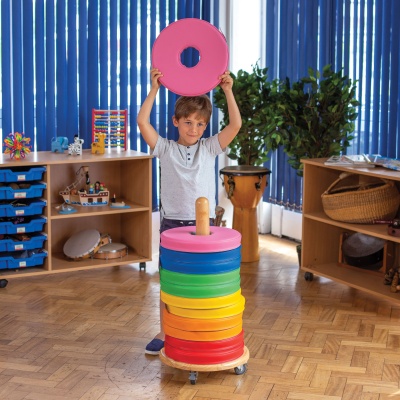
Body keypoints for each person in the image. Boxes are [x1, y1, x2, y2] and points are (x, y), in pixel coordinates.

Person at [137, 67, 242, 355]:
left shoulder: (209, 148)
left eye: (199, 124)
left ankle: (198, 330)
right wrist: (155, 89)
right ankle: (165, 329)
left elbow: (235, 126)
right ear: (175, 122)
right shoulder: (165, 148)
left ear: (205, 127)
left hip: (202, 226)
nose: (193, 129)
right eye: (187, 122)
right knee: (170, 282)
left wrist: (228, 91)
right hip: (171, 224)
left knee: (201, 282)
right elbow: (142, 122)